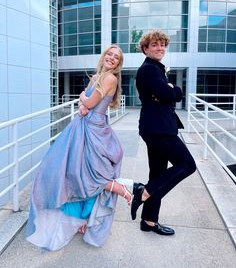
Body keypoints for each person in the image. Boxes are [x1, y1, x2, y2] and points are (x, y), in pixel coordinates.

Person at [25, 45, 133, 251]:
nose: (111, 58)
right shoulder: (98, 76)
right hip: (85, 127)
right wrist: (84, 103)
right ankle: (83, 217)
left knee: (88, 173)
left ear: (118, 64)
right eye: (109, 54)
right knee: (75, 172)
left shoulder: (109, 78)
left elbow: (89, 102)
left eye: (116, 57)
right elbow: (86, 105)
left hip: (93, 130)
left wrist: (84, 100)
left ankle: (120, 189)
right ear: (104, 56)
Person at [131, 29, 196, 236]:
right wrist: (174, 90)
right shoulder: (149, 69)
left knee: (158, 174)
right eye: (154, 45)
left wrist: (168, 91)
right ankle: (144, 191)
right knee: (187, 164)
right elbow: (168, 94)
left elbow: (165, 95)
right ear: (145, 49)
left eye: (162, 45)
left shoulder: (156, 69)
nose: (160, 48)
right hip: (159, 130)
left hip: (157, 127)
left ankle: (149, 221)